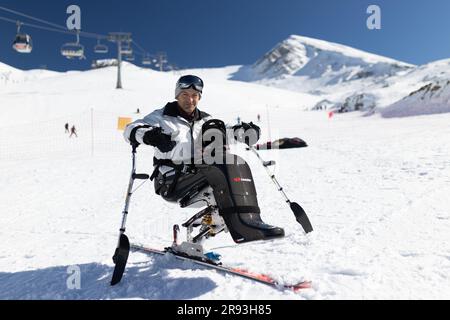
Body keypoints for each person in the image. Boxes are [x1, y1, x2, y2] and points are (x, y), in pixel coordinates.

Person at [124, 75, 284, 244]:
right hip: (170, 181)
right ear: (177, 95)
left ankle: (250, 220)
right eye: (185, 95)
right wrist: (150, 136)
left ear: (199, 97)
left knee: (235, 161)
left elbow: (227, 130)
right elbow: (130, 129)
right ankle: (244, 225)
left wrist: (245, 131)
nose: (190, 100)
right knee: (224, 164)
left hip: (199, 175)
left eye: (194, 96)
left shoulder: (206, 120)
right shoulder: (161, 117)